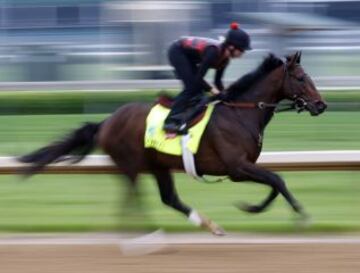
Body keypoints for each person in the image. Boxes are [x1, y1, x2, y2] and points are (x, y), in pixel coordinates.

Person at [163, 22, 252, 134]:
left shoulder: (225, 60)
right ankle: (170, 122)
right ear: (232, 46)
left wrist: (224, 94)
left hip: (188, 57)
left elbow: (217, 81)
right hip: (177, 51)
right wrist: (213, 90)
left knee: (198, 92)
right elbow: (199, 79)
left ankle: (185, 118)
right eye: (242, 50)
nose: (243, 53)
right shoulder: (213, 52)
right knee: (191, 88)